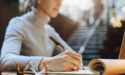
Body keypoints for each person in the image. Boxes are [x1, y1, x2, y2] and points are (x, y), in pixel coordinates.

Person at [1, 0, 83, 72]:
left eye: (62, 0)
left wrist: (76, 61)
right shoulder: (18, 24)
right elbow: (6, 61)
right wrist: (48, 63)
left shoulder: (50, 31)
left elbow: (74, 57)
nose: (60, 4)